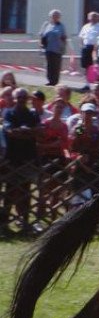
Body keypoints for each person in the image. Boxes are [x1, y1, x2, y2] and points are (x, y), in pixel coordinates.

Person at [1, 88, 40, 235]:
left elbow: (38, 131)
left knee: (26, 191)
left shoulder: (32, 114)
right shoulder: (8, 113)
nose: (22, 99)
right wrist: (27, 133)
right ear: (15, 98)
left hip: (28, 159)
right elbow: (10, 132)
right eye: (19, 97)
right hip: (12, 159)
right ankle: (4, 224)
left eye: (24, 97)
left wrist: (23, 132)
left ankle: (25, 222)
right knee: (10, 192)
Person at [37, 98, 70, 222]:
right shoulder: (45, 123)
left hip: (59, 159)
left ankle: (53, 219)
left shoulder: (64, 126)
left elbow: (63, 143)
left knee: (56, 191)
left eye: (62, 107)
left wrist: (52, 144)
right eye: (57, 107)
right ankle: (39, 219)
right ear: (52, 107)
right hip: (46, 159)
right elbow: (40, 141)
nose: (59, 109)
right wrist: (52, 144)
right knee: (43, 190)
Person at [39, 9, 67, 86]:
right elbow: (41, 35)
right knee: (48, 65)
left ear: (59, 17)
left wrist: (63, 47)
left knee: (56, 65)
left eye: (57, 16)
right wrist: (41, 44)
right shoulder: (46, 24)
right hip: (48, 48)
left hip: (57, 48)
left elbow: (64, 37)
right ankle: (50, 80)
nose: (55, 17)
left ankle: (55, 81)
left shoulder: (61, 26)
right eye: (53, 16)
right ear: (50, 16)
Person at [78, 11, 99, 91]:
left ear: (98, 17)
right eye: (91, 16)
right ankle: (87, 84)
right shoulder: (85, 26)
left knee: (96, 67)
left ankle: (96, 85)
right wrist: (82, 46)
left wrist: (97, 48)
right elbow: (81, 37)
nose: (93, 18)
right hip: (86, 48)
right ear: (88, 18)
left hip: (95, 48)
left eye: (95, 16)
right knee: (86, 67)